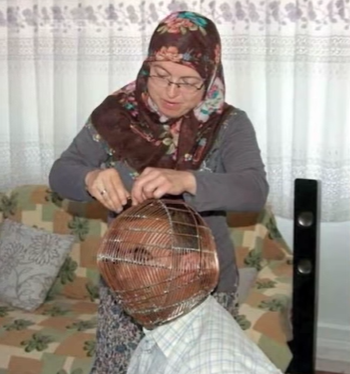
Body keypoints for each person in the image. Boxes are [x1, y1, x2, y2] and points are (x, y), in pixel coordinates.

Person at [49, 10, 268, 374]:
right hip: (127, 279)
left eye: (188, 82)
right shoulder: (117, 114)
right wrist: (90, 178)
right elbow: (61, 172)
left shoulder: (228, 124)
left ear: (210, 77)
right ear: (146, 66)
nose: (171, 91)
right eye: (161, 75)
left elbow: (254, 190)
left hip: (201, 283)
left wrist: (188, 181)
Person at [97, 198, 281, 374]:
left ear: (188, 267)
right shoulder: (163, 329)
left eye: (141, 257)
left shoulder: (212, 367)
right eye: (118, 259)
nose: (122, 274)